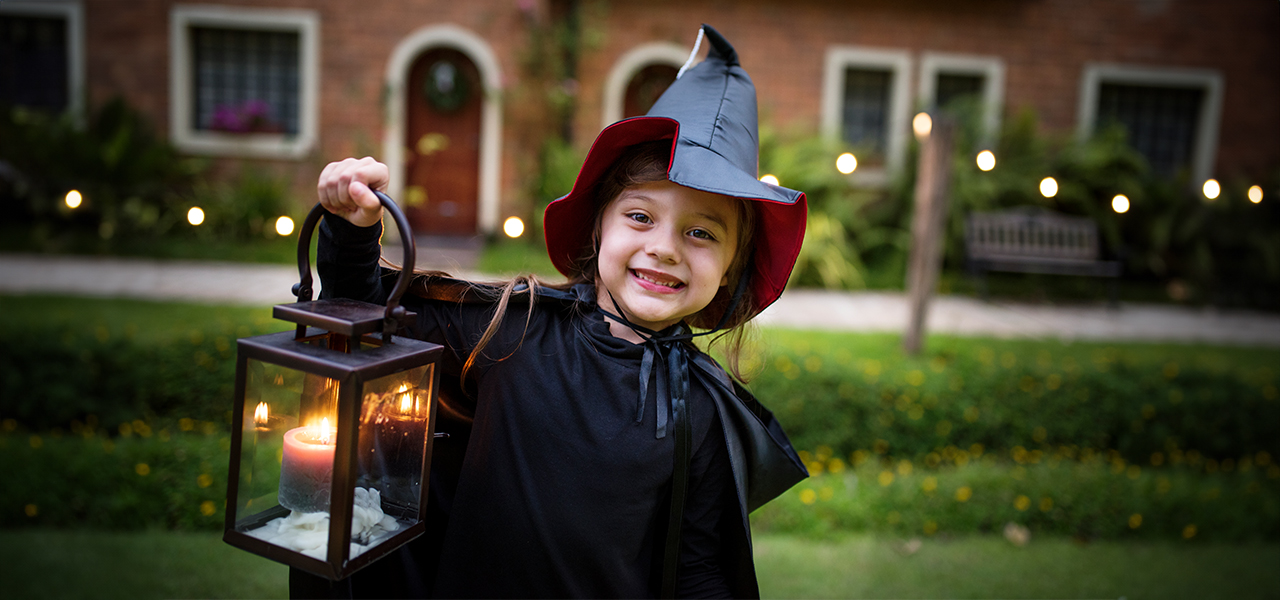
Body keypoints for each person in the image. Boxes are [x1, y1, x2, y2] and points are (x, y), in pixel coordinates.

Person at [305, 24, 808, 599]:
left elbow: (697, 569)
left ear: (730, 267)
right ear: (598, 226)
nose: (666, 247)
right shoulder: (510, 329)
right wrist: (353, 226)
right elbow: (367, 309)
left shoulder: (699, 409)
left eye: (701, 233)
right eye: (641, 217)